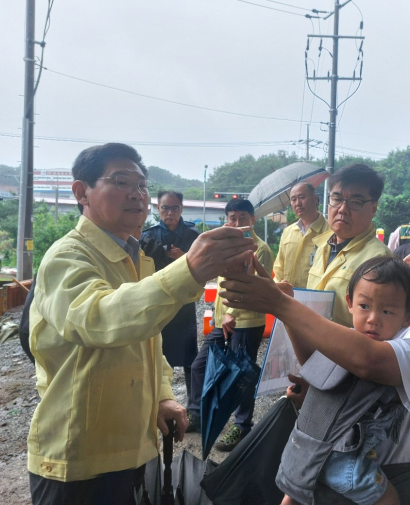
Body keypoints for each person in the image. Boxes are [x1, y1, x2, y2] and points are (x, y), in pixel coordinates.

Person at [27, 143, 256, 505]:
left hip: (133, 448)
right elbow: (100, 319)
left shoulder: (136, 258)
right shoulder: (67, 256)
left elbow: (147, 342)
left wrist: (162, 395)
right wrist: (189, 270)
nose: (137, 195)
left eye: (143, 185)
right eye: (121, 181)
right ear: (80, 192)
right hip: (81, 457)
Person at [220, 212, 410, 504]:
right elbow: (330, 367)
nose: (408, 259)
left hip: (406, 486)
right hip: (365, 480)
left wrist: (280, 303)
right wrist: (285, 310)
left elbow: (367, 360)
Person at [281, 257, 410, 505]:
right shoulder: (375, 355)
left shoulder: (365, 350)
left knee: (296, 495)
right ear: (350, 303)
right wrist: (286, 310)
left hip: (309, 454)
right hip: (349, 463)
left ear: (409, 317)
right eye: (365, 306)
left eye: (387, 311)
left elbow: (312, 364)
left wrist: (287, 312)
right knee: (389, 500)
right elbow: (315, 364)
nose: (373, 319)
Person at [189, 198, 274, 451]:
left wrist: (232, 313)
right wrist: (221, 315)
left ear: (253, 220)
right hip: (221, 319)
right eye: (232, 218)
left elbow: (254, 288)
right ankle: (196, 412)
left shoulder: (261, 250)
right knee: (199, 365)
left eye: (243, 218)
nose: (237, 223)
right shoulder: (223, 246)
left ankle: (242, 425)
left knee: (242, 374)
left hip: (246, 322)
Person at [307, 164, 392, 327]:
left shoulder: (379, 260)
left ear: (373, 208)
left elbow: (376, 328)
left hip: (344, 351)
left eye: (355, 202)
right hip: (311, 347)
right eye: (337, 199)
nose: (342, 209)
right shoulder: (324, 247)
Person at [141, 190, 200, 423]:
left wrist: (185, 256)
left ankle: (194, 410)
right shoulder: (149, 235)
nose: (170, 213)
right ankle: (156, 405)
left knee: (189, 359)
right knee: (156, 355)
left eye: (174, 208)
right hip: (158, 303)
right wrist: (165, 252)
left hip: (183, 303)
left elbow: (202, 264)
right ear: (158, 209)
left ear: (182, 209)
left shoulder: (193, 235)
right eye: (165, 208)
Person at [273, 182, 330, 288]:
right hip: (287, 297)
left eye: (302, 197)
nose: (297, 203)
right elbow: (279, 268)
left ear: (315, 198)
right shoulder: (288, 232)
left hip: (315, 299)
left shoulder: (330, 231)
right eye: (293, 199)